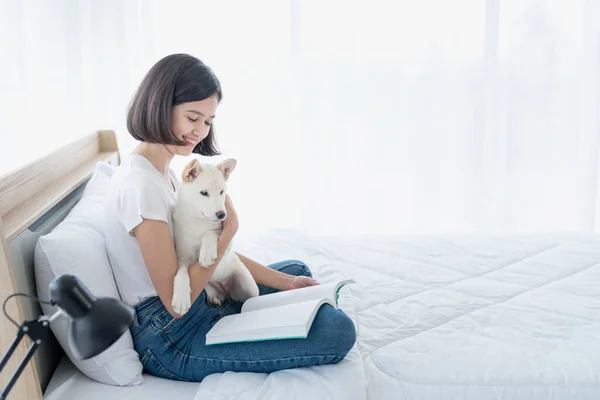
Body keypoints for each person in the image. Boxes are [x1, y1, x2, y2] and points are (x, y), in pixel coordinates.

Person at [103, 53, 356, 382]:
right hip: (170, 333)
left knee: (296, 273)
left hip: (200, 294)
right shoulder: (141, 187)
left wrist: (287, 284)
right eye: (192, 117)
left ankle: (266, 298)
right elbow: (175, 304)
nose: (199, 131)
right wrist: (227, 232)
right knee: (337, 332)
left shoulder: (164, 176)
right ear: (160, 105)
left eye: (207, 121)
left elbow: (201, 252)